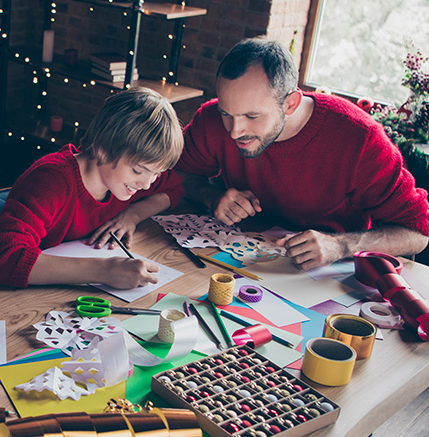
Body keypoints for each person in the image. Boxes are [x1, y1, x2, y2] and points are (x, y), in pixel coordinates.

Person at [177, 37, 429, 270]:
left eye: (252, 116)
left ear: (291, 103)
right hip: (235, 259)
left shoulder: (359, 138)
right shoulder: (211, 119)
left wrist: (341, 245)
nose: (234, 131)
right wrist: (211, 196)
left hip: (328, 275)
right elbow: (175, 174)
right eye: (226, 113)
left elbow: (417, 232)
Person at [0, 87, 185, 288]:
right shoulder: (51, 181)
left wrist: (134, 214)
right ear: (104, 149)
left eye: (156, 173)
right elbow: (0, 258)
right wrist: (103, 271)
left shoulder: (126, 178)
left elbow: (174, 189)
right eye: (138, 171)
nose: (147, 184)